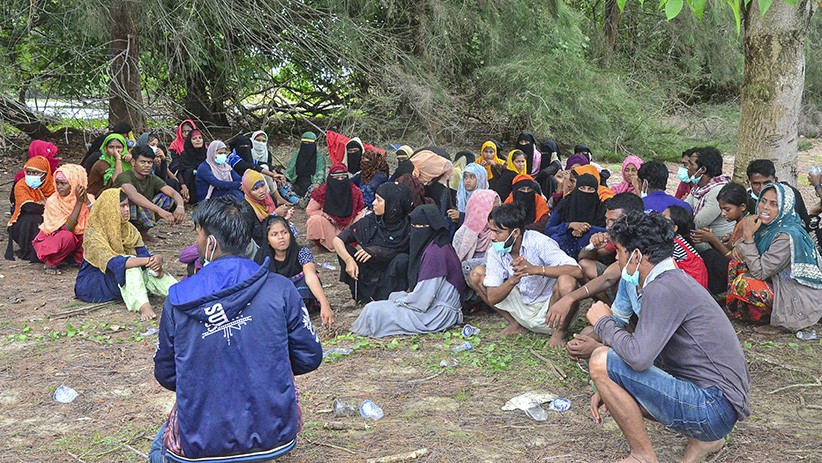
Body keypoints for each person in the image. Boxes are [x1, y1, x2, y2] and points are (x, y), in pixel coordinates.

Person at [150, 196, 322, 463]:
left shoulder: (177, 299)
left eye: (197, 234)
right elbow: (309, 355)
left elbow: (166, 373)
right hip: (273, 431)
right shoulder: (280, 289)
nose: (196, 242)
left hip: (202, 439)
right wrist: (267, 371)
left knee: (157, 450)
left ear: (210, 243)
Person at [586, 211, 750, 463]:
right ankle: (707, 438)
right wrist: (613, 386)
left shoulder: (662, 288)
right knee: (611, 367)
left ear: (637, 255)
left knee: (600, 359)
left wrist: (604, 324)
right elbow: (648, 354)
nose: (616, 259)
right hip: (721, 404)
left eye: (619, 251)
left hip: (713, 405)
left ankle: (643, 456)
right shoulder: (671, 281)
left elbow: (639, 359)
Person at [470, 203, 581, 346]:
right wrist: (513, 280)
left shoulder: (540, 242)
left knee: (567, 281)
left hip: (550, 308)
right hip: (522, 304)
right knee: (477, 275)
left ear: (515, 233)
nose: (492, 237)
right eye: (490, 230)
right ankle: (516, 324)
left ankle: (559, 333)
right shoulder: (495, 251)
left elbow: (576, 270)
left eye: (497, 232)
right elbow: (492, 297)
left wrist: (535, 269)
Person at [351, 204, 465, 337]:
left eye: (419, 227)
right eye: (414, 226)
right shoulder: (438, 246)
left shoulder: (436, 254)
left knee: (373, 310)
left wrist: (400, 300)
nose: (415, 230)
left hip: (437, 314)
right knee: (387, 301)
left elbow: (422, 300)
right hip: (435, 307)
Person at [727, 183, 822, 332]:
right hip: (774, 280)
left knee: (746, 283)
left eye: (774, 204)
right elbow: (741, 248)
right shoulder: (767, 225)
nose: (765, 207)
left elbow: (760, 272)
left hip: (793, 292)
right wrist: (742, 244)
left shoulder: (786, 235)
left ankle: (779, 320)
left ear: (785, 207)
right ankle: (745, 310)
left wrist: (748, 237)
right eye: (763, 201)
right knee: (736, 264)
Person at [74, 189, 177, 321]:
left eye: (127, 205)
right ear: (109, 208)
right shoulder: (94, 234)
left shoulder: (129, 229)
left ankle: (181, 295)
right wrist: (147, 260)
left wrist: (156, 262)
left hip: (121, 277)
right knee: (131, 265)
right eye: (122, 206)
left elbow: (143, 255)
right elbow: (115, 263)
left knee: (152, 272)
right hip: (95, 285)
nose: (127, 209)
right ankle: (144, 307)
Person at [333, 182, 414, 304]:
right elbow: (338, 240)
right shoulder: (371, 221)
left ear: (393, 204)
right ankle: (357, 295)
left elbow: (409, 253)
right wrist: (349, 261)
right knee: (347, 250)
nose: (373, 203)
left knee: (402, 260)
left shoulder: (409, 226)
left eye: (379, 200)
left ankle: (389, 298)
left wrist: (378, 251)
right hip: (367, 274)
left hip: (390, 278)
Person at [254, 215, 334, 329]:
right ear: (267, 240)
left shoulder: (302, 252)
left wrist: (324, 304)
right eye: (274, 234)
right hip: (277, 297)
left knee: (304, 279)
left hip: (301, 296)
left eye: (284, 232)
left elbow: (310, 276)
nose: (281, 237)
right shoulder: (262, 257)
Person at [114, 146, 186, 240]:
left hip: (142, 210)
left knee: (166, 198)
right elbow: (134, 195)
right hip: (119, 214)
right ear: (133, 162)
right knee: (134, 201)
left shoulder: (152, 178)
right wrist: (160, 211)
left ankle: (142, 233)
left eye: (150, 162)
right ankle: (127, 233)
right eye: (142, 162)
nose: (147, 165)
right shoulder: (125, 176)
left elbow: (173, 192)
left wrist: (180, 206)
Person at [690, 182, 751, 294]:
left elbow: (734, 258)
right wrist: (711, 240)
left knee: (711, 257)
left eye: (727, 209)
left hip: (743, 271)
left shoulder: (747, 225)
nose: (723, 213)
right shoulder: (739, 223)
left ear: (742, 207)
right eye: (721, 209)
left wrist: (713, 240)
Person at [32, 165, 93, 273]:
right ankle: (52, 262)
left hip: (77, 242)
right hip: (57, 241)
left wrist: (86, 202)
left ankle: (76, 260)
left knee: (90, 234)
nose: (59, 187)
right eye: (57, 183)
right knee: (67, 237)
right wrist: (79, 203)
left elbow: (98, 219)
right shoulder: (54, 201)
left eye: (63, 183)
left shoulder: (89, 198)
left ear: (76, 184)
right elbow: (68, 228)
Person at [545, 173, 607, 259]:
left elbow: (609, 232)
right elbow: (548, 230)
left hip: (589, 257)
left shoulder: (601, 208)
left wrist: (586, 228)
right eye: (582, 188)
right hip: (561, 255)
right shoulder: (565, 204)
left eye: (590, 189)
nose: (585, 192)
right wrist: (569, 225)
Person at [6, 156, 55, 262]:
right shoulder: (21, 185)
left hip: (51, 219)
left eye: (35, 173)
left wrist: (43, 204)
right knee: (33, 218)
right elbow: (28, 207)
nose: (31, 176)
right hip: (23, 224)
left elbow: (61, 205)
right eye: (29, 172)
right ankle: (31, 251)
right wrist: (48, 204)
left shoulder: (54, 184)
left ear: (45, 174)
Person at [684, 147, 734, 250]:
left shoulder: (718, 191)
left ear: (702, 169)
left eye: (691, 164)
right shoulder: (698, 188)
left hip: (718, 246)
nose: (687, 167)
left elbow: (697, 223)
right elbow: (684, 209)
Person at [306, 164, 365, 251]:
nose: (340, 180)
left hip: (349, 227)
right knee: (314, 220)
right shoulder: (322, 192)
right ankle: (329, 244)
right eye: (337, 178)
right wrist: (327, 216)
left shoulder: (355, 191)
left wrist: (352, 224)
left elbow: (360, 210)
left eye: (343, 177)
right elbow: (310, 210)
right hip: (329, 225)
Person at [746, 159, 809, 226]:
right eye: (756, 184)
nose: (762, 188)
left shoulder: (790, 196)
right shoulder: (744, 200)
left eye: (767, 183)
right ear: (748, 182)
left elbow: (804, 221)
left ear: (775, 180)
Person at [661, 206, 709, 289]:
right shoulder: (678, 240)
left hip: (692, 289)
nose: (658, 221)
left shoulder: (674, 245)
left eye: (663, 219)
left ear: (674, 228)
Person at [137, 132, 186, 201]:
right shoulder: (138, 157)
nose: (155, 148)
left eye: (156, 145)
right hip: (143, 188)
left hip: (154, 185)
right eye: (152, 145)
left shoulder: (153, 160)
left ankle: (179, 202)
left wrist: (163, 160)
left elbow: (162, 177)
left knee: (172, 182)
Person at [169, 129, 207, 205]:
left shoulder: (206, 153)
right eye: (194, 139)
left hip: (205, 180)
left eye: (200, 138)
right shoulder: (185, 154)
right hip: (190, 183)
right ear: (190, 141)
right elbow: (180, 170)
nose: (198, 140)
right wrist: (183, 185)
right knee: (188, 171)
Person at [87, 133, 130, 198]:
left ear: (124, 149)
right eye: (111, 147)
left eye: (119, 147)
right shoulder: (102, 164)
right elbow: (117, 182)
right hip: (97, 199)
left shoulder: (125, 162)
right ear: (105, 149)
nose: (115, 151)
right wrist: (118, 159)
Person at [286, 131, 327, 198]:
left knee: (316, 190)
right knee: (283, 187)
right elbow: (289, 171)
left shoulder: (319, 157)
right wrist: (283, 179)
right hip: (296, 183)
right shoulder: (296, 155)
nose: (306, 145)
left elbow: (321, 173)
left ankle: (304, 200)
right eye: (304, 143)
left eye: (309, 143)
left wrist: (317, 183)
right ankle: (298, 201)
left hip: (312, 183)